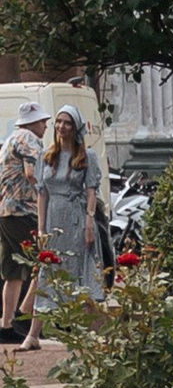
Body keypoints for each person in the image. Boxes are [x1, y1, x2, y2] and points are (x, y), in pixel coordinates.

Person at [35, 108, 108, 317]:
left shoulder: (86, 155)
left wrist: (88, 224)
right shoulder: (46, 155)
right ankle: (33, 333)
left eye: (67, 123)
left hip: (77, 217)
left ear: (75, 128)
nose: (61, 127)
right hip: (53, 218)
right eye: (58, 122)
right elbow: (42, 194)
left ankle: (86, 328)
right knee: (48, 270)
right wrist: (41, 229)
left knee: (80, 269)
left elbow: (91, 191)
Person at [0, 105, 42, 344]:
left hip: (5, 211)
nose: (45, 126)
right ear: (32, 122)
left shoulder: (9, 141)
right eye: (42, 122)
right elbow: (31, 172)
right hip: (25, 210)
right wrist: (43, 195)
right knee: (44, 261)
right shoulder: (28, 138)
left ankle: (5, 325)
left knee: (12, 271)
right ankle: (26, 315)